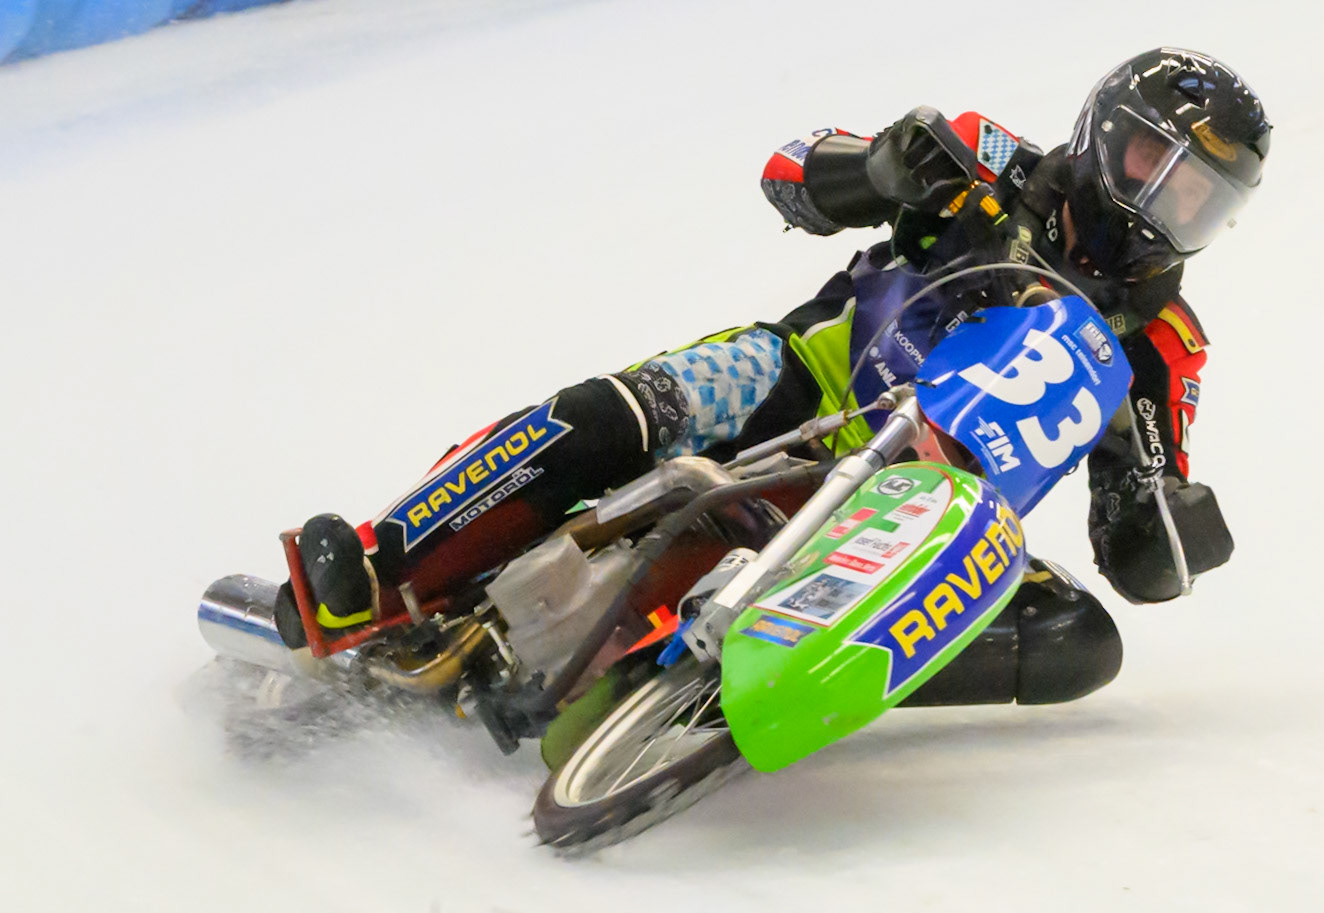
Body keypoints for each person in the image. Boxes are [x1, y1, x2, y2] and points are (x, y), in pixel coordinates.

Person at [274, 47, 1271, 652]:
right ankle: (370, 567)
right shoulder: (986, 159)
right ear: (1103, 131)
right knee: (613, 411)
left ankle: (703, 691)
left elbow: (1138, 549)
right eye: (1155, 162)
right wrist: (880, 166)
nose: (1164, 202)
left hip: (925, 508)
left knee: (1076, 644)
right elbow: (787, 175)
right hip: (809, 376)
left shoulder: (1162, 347)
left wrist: (1156, 518)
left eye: (1196, 195)